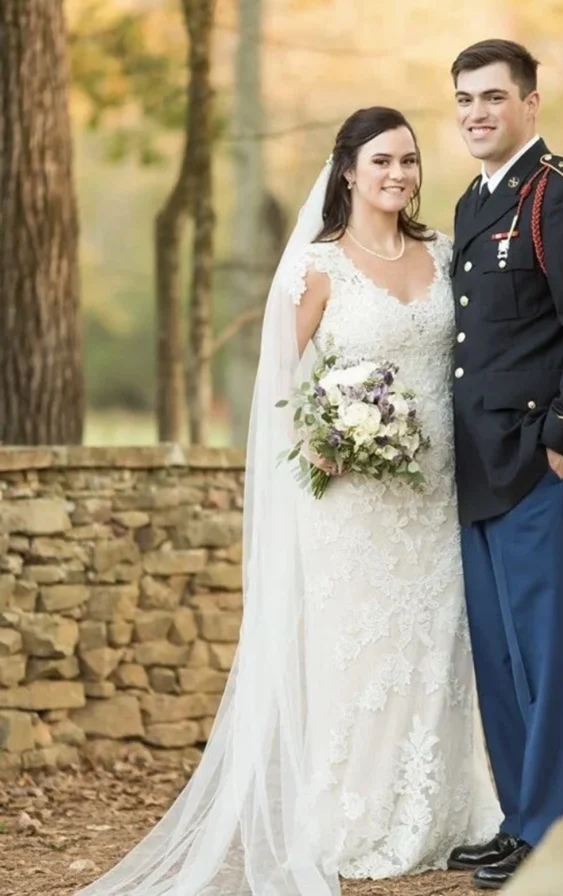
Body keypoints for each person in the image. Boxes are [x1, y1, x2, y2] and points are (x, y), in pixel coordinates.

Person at [75, 106, 499, 896]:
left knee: (438, 643)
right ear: (347, 171)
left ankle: (441, 816)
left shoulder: (443, 253)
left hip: (437, 488)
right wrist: (331, 433)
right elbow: (281, 382)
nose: (399, 174)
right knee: (359, 651)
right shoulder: (316, 267)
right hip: (350, 495)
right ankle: (353, 820)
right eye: (381, 161)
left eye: (408, 160)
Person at [446, 39, 563, 889]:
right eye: (463, 101)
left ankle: (562, 831)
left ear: (529, 102)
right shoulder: (471, 202)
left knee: (554, 655)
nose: (477, 113)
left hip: (541, 465)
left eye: (493, 97)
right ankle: (523, 820)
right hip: (480, 467)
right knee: (500, 656)